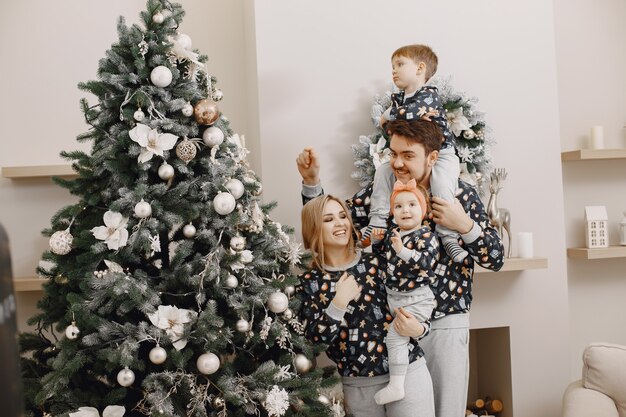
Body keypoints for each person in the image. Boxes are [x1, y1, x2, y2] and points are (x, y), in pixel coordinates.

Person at [296, 119, 504, 417]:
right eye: (393, 154)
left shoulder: (461, 195)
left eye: (408, 155)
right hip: (395, 326)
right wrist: (312, 183)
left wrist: (464, 225)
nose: (397, 163)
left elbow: (495, 258)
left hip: (444, 323)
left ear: (432, 157)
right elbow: (332, 222)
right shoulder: (381, 194)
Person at [298, 195, 435, 417]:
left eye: (343, 216)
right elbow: (316, 342)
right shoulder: (309, 283)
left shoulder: (377, 262)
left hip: (407, 374)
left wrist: (420, 329)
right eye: (328, 219)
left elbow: (416, 297)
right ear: (313, 228)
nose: (340, 223)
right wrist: (339, 302)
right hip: (358, 386)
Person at [364, 44, 467, 263]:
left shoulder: (428, 95)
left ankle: (449, 237)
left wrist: (388, 114)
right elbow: (393, 131)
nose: (394, 70)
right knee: (382, 172)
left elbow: (406, 115)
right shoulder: (399, 99)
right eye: (392, 66)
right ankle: (377, 221)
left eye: (400, 64)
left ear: (420, 68)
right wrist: (391, 119)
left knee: (441, 188)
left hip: (444, 153)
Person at [371, 179, 439, 405]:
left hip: (417, 299)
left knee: (395, 337)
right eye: (398, 206)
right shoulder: (394, 232)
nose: (405, 210)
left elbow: (426, 263)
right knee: (394, 336)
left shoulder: (426, 236)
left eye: (412, 204)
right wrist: (374, 240)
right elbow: (381, 255)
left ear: (423, 210)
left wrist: (402, 251)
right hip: (396, 298)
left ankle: (397, 385)